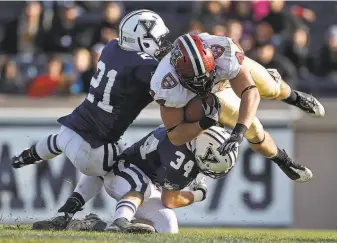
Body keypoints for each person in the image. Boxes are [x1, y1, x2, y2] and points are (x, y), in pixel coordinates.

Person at [12, 9, 172, 232]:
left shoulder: (112, 46)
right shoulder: (146, 67)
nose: (163, 44)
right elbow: (169, 91)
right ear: (142, 39)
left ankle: (62, 211)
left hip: (70, 130)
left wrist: (31, 155)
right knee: (137, 178)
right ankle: (121, 220)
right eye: (158, 39)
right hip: (95, 145)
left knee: (95, 160)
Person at [150, 32, 325, 184]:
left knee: (270, 88)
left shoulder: (224, 51)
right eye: (196, 80)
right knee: (254, 130)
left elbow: (251, 94)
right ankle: (282, 160)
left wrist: (238, 131)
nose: (203, 82)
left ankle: (294, 97)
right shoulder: (166, 84)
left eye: (206, 75)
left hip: (226, 76)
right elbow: (175, 135)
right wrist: (204, 123)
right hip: (210, 97)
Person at [67, 125, 237, 233]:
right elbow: (171, 200)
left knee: (168, 226)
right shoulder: (180, 160)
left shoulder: (189, 129)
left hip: (144, 180)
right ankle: (120, 221)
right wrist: (199, 194)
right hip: (123, 173)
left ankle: (99, 225)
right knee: (144, 186)